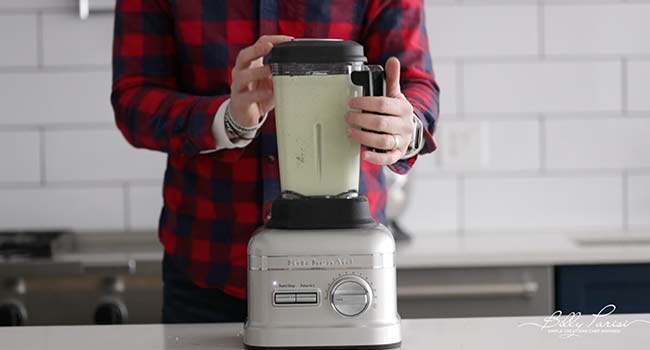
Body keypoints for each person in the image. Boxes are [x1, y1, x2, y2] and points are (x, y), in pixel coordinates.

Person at [111, 0, 439, 323]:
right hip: (208, 269)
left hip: (350, 270)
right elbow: (134, 96)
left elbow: (415, 82)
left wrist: (404, 127)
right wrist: (226, 120)